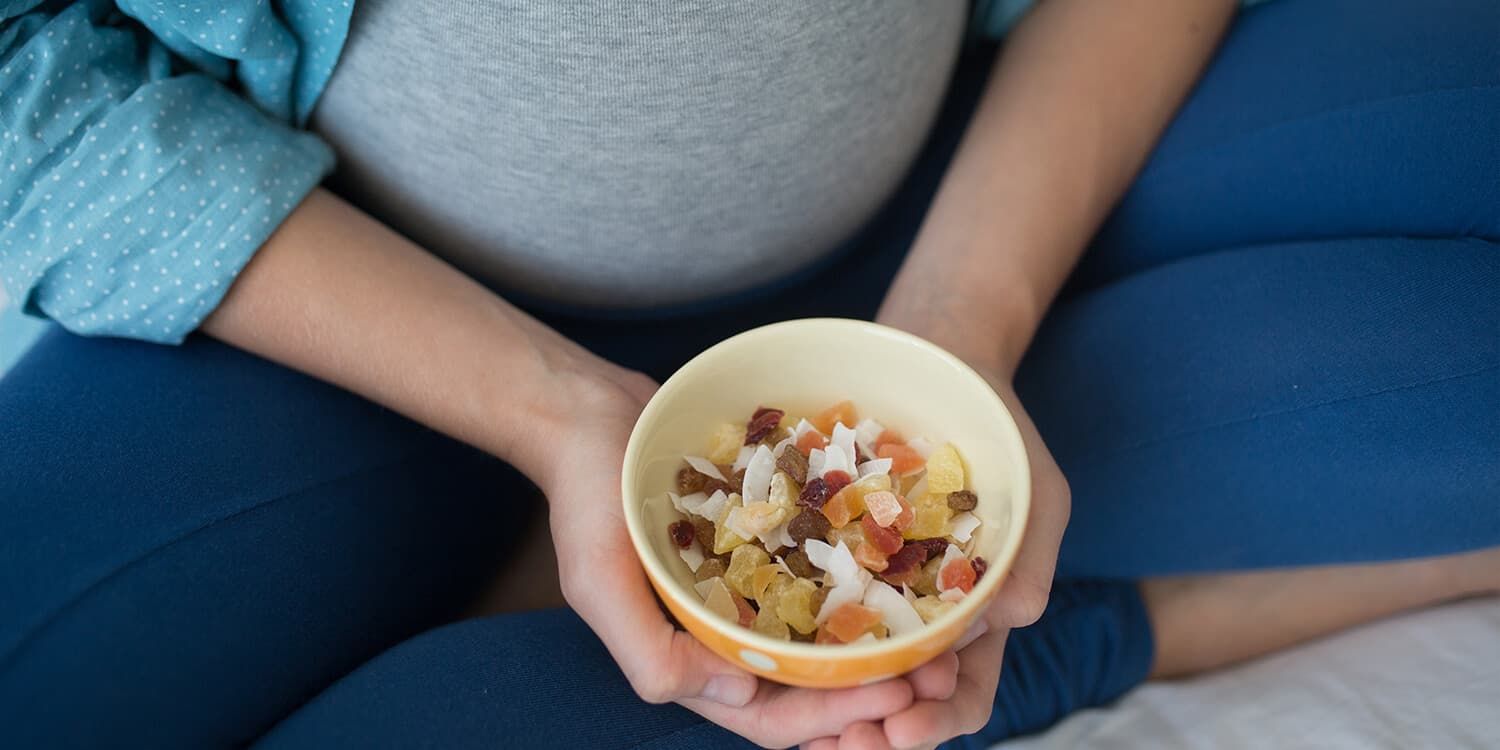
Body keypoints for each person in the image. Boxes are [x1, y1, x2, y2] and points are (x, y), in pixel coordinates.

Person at [2, 0, 1497, 747]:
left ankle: (1038, 639)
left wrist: (962, 326)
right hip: (325, 311)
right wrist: (556, 412)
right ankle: (1104, 629)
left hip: (977, 191)